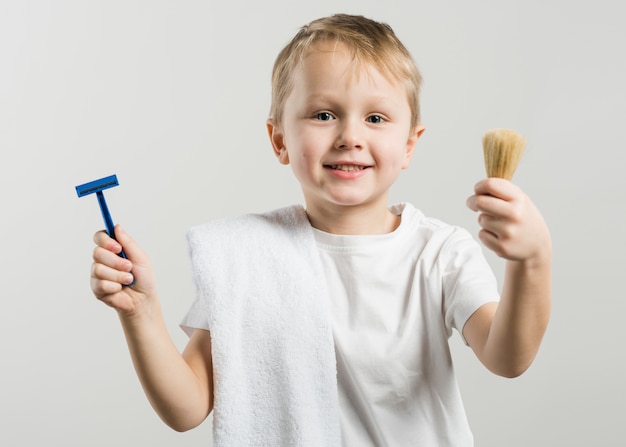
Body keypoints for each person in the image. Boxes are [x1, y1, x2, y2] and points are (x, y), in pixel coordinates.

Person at [89, 13, 551, 447]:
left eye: (375, 118)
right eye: (324, 114)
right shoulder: (246, 258)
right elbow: (187, 408)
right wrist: (141, 314)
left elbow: (507, 358)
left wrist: (532, 261)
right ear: (280, 140)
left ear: (409, 144)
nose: (350, 135)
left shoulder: (439, 252)